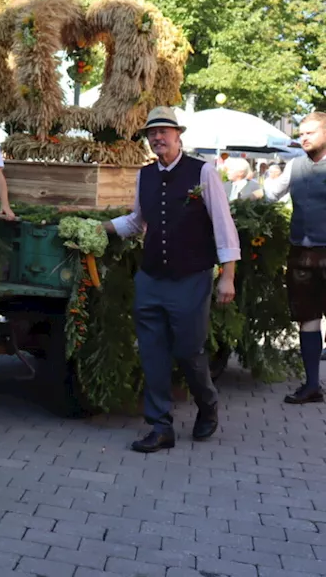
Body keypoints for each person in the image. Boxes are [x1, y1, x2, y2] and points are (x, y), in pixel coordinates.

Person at [103, 106, 239, 453]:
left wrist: (227, 277)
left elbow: (224, 226)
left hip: (191, 276)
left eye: (164, 131)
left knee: (189, 350)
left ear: (178, 135)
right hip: (151, 277)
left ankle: (207, 404)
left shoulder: (202, 171)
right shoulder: (144, 175)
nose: (157, 137)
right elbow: (137, 221)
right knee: (152, 352)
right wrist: (100, 228)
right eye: (152, 133)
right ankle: (160, 426)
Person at [254, 112, 326, 403]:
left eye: (311, 132)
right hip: (301, 254)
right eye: (301, 133)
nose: (304, 137)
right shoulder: (294, 166)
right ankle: (312, 386)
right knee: (307, 319)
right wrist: (235, 203)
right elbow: (270, 193)